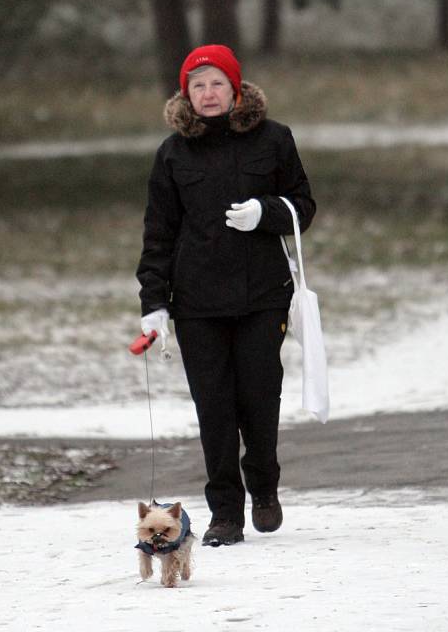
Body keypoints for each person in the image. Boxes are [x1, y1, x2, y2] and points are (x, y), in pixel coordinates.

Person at [136, 44, 316, 546]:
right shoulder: (172, 154)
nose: (208, 93)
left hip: (263, 295)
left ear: (235, 89)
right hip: (197, 303)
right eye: (198, 85)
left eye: (217, 83)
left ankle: (264, 487)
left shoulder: (274, 140)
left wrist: (268, 212)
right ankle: (226, 514)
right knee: (213, 408)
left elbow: (304, 206)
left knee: (259, 399)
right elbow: (159, 234)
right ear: (185, 95)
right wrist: (154, 303)